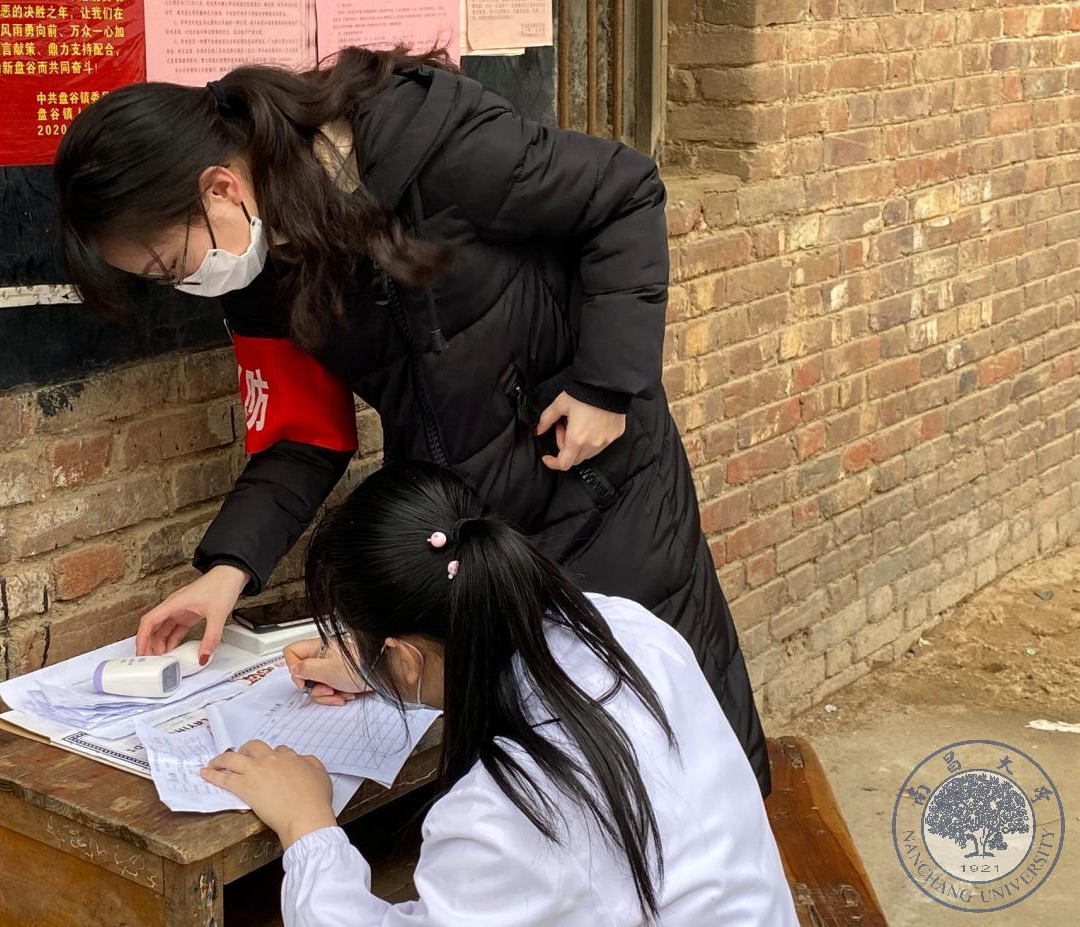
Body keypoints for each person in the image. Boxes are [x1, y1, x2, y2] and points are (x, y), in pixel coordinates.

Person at [53, 45, 771, 795]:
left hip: (597, 484)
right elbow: (304, 435)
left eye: (172, 266)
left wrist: (607, 385)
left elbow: (623, 192)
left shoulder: (426, 146)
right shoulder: (258, 270)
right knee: (548, 780)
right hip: (467, 535)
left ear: (221, 187)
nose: (185, 285)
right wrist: (225, 574)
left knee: (670, 740)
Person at [201, 463, 796, 926]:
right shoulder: (625, 629)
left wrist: (307, 823)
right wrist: (380, 669)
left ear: (406, 658)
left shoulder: (504, 813)